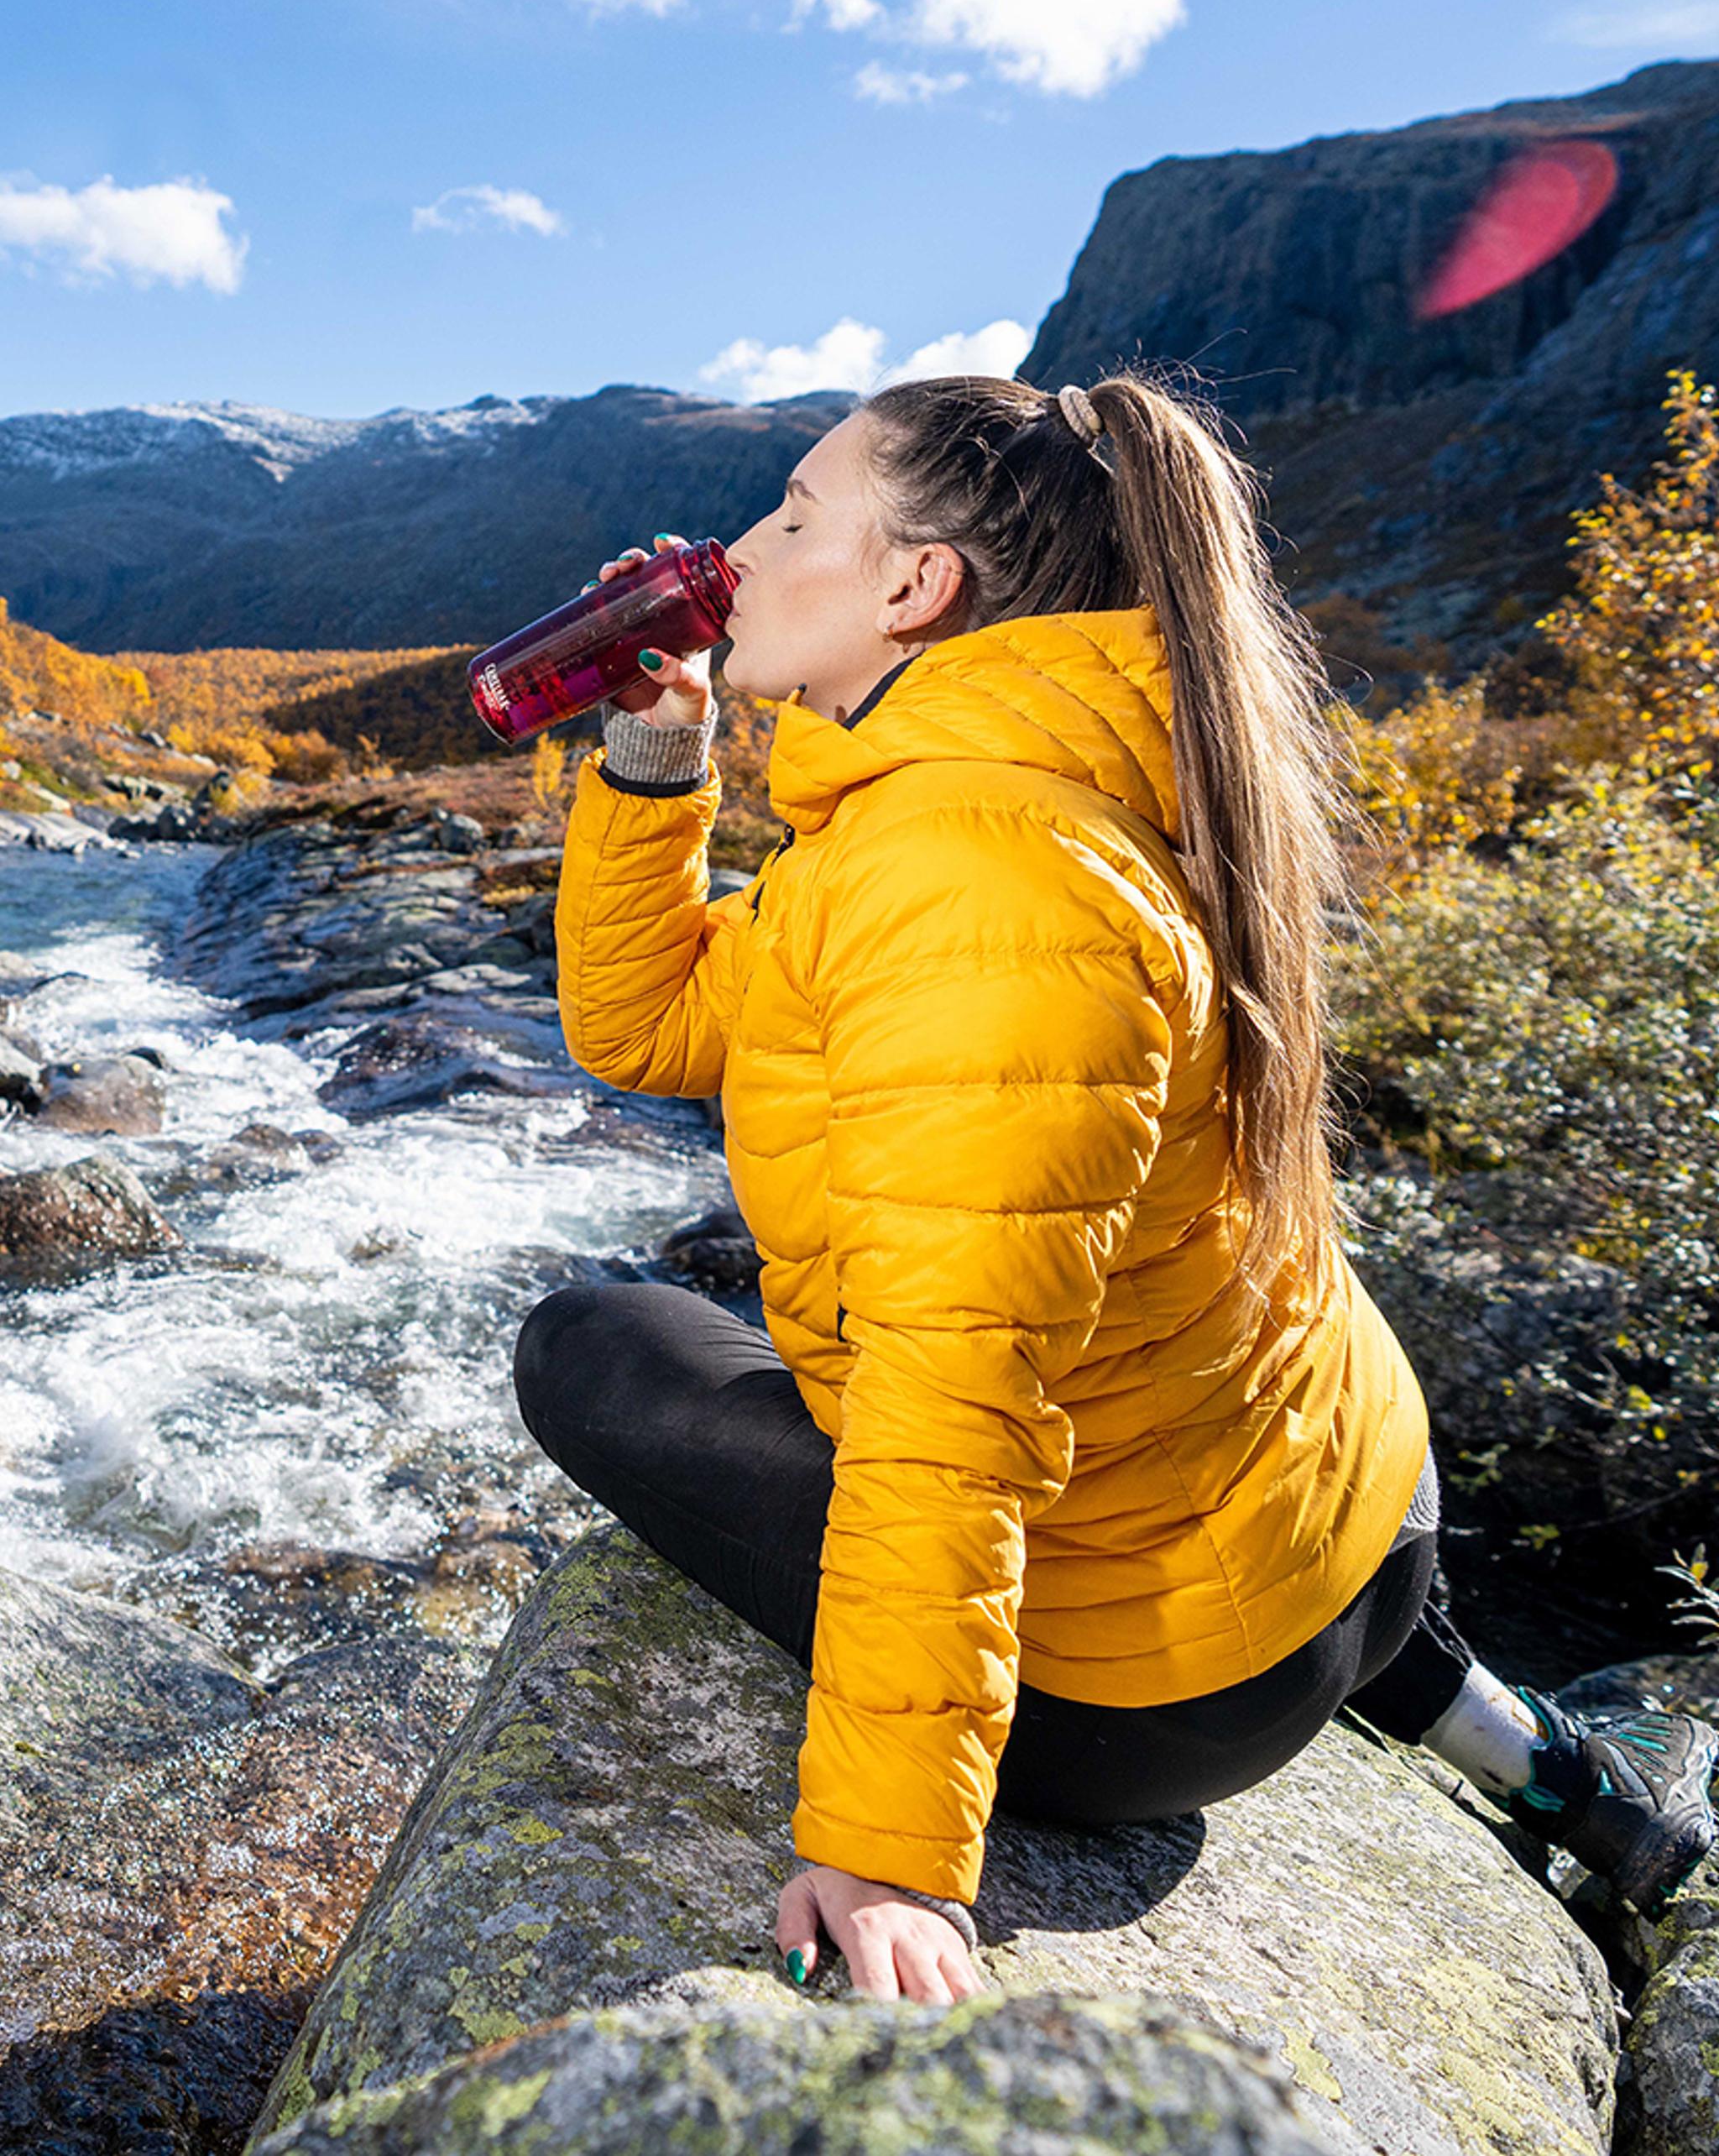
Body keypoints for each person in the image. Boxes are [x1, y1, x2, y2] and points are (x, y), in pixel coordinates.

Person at [515, 371, 1718, 2005]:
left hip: (1170, 1705)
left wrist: (890, 1849)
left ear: (911, 589)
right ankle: (1515, 1747)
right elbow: (651, 1021)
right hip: (1364, 1517)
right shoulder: (1016, 795)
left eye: (795, 515)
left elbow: (956, 1403)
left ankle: (1411, 1707)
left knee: (594, 1347)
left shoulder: (975, 878)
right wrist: (659, 763)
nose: (738, 549)